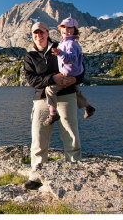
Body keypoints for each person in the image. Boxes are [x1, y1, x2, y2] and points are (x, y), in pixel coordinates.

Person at [23, 22, 83, 190]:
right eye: (35, 33)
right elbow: (31, 80)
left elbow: (78, 67)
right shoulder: (30, 56)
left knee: (71, 134)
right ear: (32, 35)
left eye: (41, 32)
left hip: (65, 96)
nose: (38, 35)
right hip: (42, 99)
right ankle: (36, 175)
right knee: (38, 138)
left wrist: (76, 79)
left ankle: (75, 171)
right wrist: (52, 79)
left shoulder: (62, 46)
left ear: (47, 33)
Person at [43, 17, 96, 126]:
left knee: (49, 90)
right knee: (75, 89)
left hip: (69, 73)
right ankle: (88, 107)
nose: (65, 30)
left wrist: (59, 53)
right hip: (73, 72)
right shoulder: (66, 42)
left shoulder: (70, 43)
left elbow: (71, 59)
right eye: (63, 28)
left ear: (74, 30)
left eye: (69, 28)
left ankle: (53, 113)